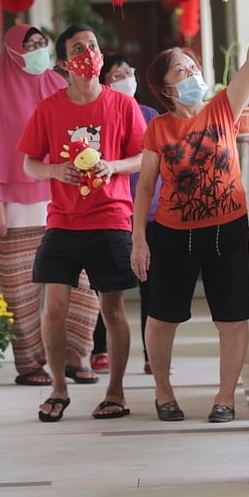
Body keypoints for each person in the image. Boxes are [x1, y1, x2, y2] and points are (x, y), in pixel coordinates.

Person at [131, 0, 249, 423]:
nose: (192, 72)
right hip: (173, 234)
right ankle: (163, 391)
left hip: (227, 230)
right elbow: (145, 187)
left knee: (232, 318)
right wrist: (139, 239)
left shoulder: (223, 109)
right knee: (162, 317)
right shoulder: (158, 130)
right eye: (181, 69)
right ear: (165, 87)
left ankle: (225, 398)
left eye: (193, 65)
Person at [18, 25, 148, 421]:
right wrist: (56, 170)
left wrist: (113, 166)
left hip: (111, 217)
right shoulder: (49, 109)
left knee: (112, 309)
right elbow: (29, 163)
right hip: (63, 221)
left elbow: (143, 157)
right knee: (53, 307)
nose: (89, 52)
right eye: (79, 48)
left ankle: (115, 391)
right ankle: (59, 388)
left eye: (93, 45)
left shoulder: (122, 106)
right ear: (63, 63)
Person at [0, 24, 103, 387]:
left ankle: (78, 356)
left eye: (41, 44)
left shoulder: (62, 87)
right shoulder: (0, 97)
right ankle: (30, 365)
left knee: (83, 283)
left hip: (66, 203)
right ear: (13, 52)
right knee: (20, 292)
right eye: (29, 45)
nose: (37, 50)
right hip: (16, 210)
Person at [90, 55, 161, 375]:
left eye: (128, 73)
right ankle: (99, 347)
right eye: (116, 74)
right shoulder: (100, 116)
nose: (124, 78)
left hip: (152, 213)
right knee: (105, 285)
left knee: (152, 285)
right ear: (106, 81)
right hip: (112, 212)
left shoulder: (151, 116)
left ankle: (152, 352)